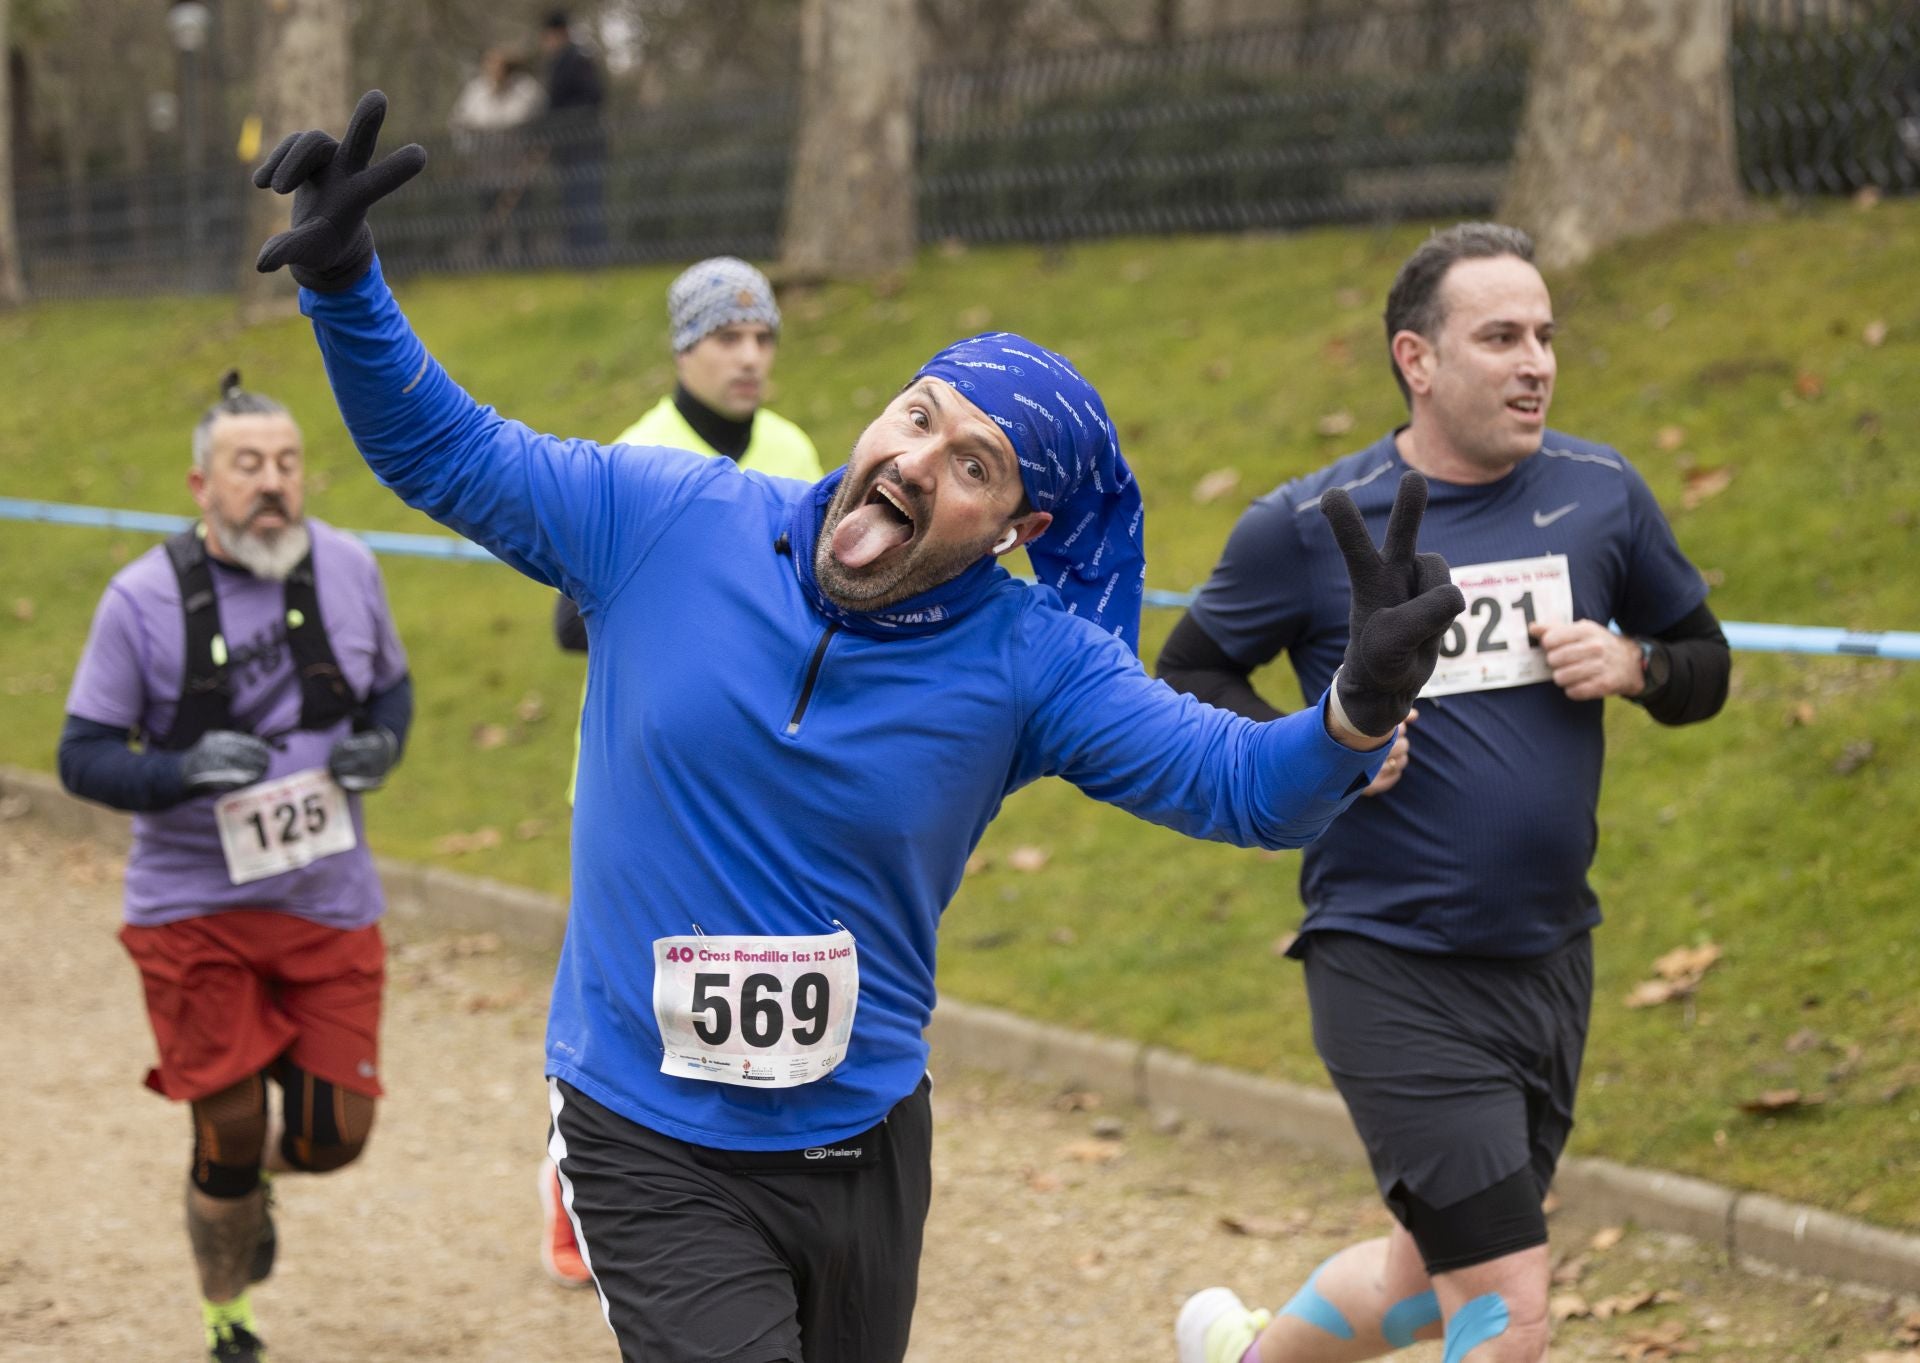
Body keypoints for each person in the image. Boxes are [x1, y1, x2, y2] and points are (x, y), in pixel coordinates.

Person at [249, 92, 1463, 1363]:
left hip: (865, 1138)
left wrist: (1355, 707)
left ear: (1017, 533)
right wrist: (345, 280)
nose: (924, 459)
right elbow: (447, 450)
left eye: (978, 466)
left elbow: (1240, 787)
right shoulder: (666, 517)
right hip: (643, 1129)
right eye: (922, 414)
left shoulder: (1029, 660)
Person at [1158, 223, 1731, 1363]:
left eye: (1546, 336)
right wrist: (1318, 745)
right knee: (1508, 1303)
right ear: (1416, 359)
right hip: (1389, 958)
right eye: (1502, 336)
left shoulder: (1600, 492)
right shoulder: (1313, 521)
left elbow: (1703, 662)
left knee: (1425, 1282)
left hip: (1548, 957)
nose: (1537, 363)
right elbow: (1186, 671)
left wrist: (1636, 665)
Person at [56, 371, 413, 1363]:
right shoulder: (140, 599)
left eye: (287, 463)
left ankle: (249, 1184)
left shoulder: (350, 565)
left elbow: (391, 692)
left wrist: (381, 748)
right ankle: (228, 1316)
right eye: (247, 465)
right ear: (199, 484)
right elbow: (80, 755)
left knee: (337, 1135)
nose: (271, 482)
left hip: (330, 899)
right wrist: (177, 771)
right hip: (192, 907)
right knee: (226, 1128)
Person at [540, 255, 824, 1287]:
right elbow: (572, 622)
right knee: (622, 1003)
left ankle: (723, 1193)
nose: (749, 358)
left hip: (753, 788)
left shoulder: (796, 450)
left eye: (762, 338)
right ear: (682, 348)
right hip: (636, 786)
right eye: (726, 338)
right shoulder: (635, 454)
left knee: (721, 996)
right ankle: (572, 1184)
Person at [447, 46, 546, 264]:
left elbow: (520, 116)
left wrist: (490, 126)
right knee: (489, 211)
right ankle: (492, 261)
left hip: (518, 164)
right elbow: (462, 119)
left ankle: (528, 260)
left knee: (523, 214)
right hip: (486, 165)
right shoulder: (476, 91)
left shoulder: (525, 89)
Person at [537, 10, 607, 260]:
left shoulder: (578, 59)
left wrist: (563, 123)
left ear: (558, 34)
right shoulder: (557, 62)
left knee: (586, 201)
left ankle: (592, 254)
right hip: (566, 147)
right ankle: (577, 254)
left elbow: (592, 97)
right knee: (572, 202)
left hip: (583, 144)